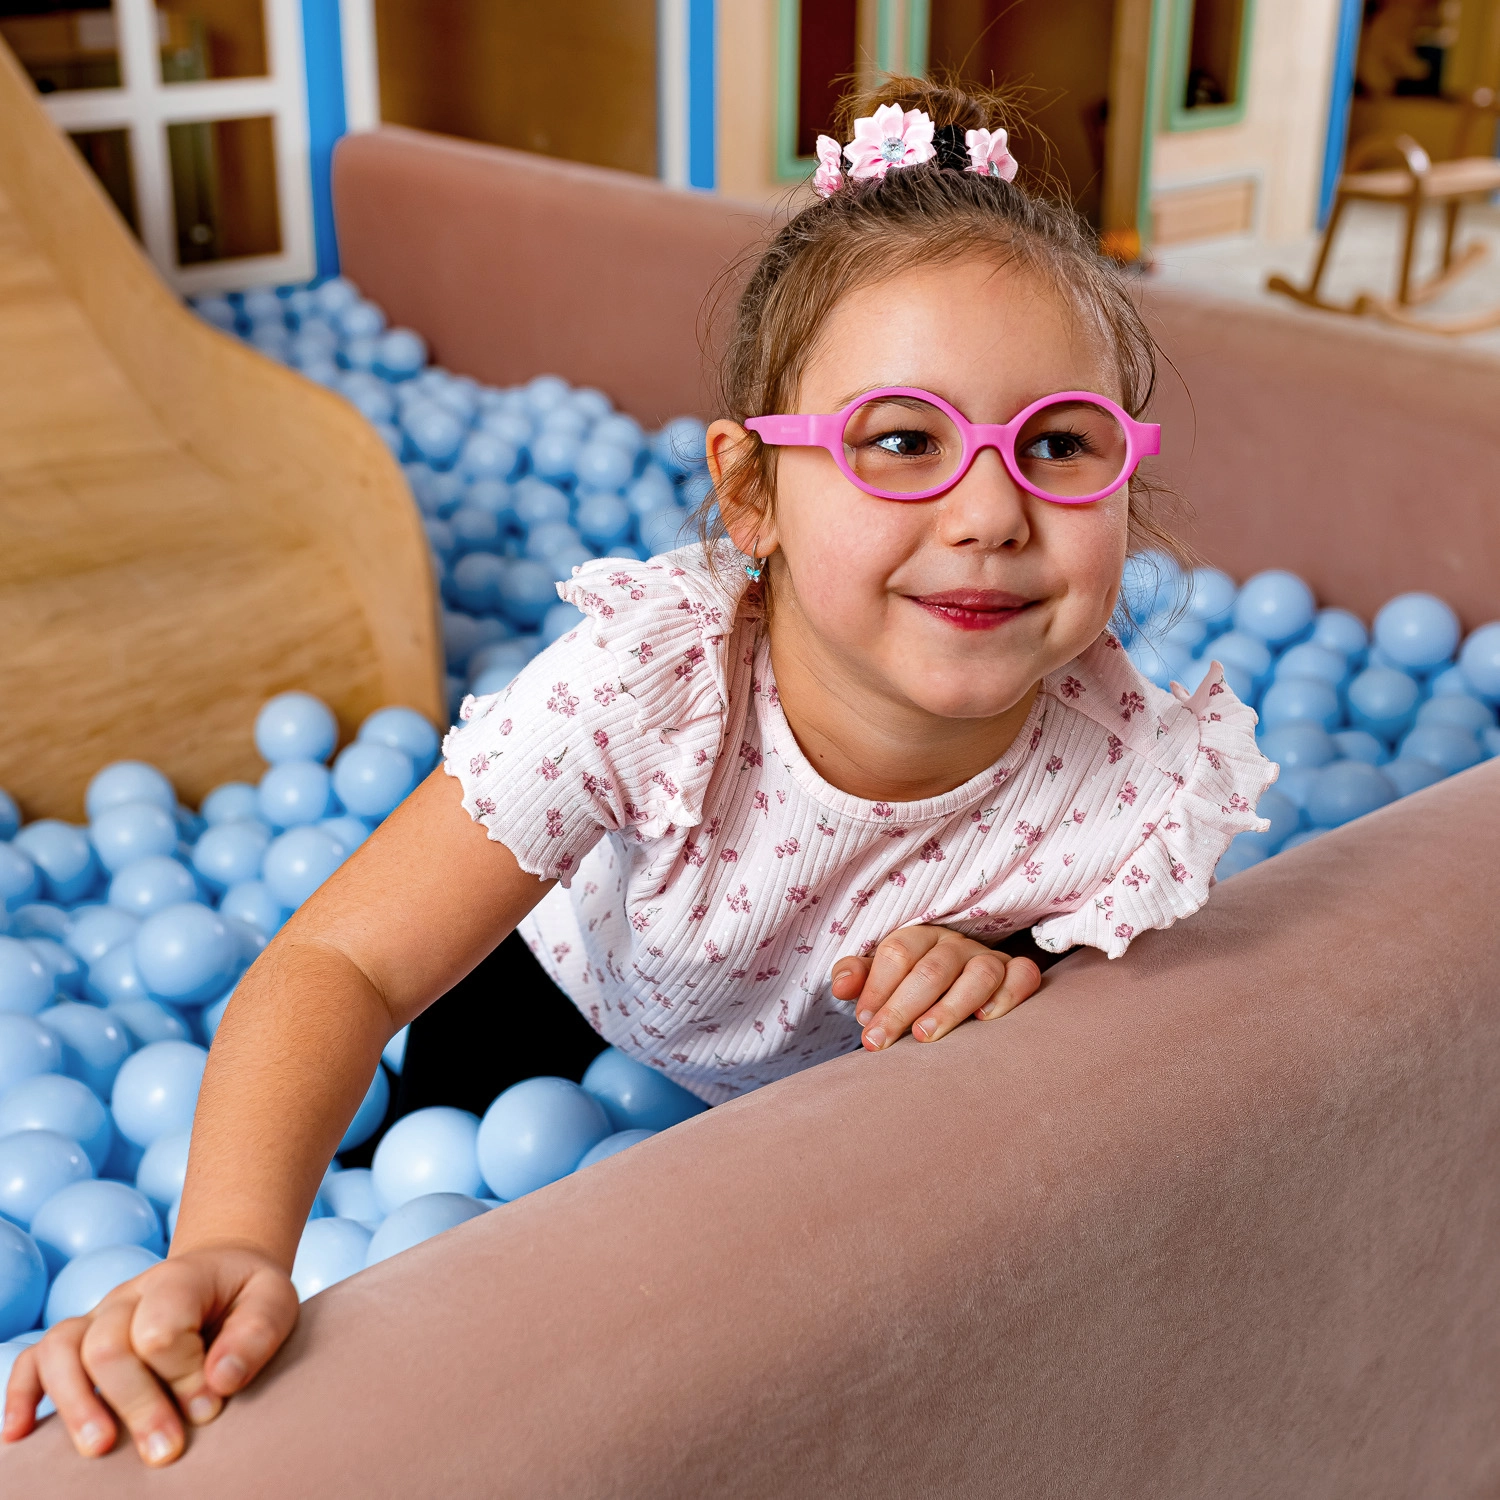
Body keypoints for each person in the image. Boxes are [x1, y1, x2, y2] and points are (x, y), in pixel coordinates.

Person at [3, 75, 1274, 1467]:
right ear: (751, 494)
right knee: (416, 1212)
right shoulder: (653, 689)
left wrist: (1013, 961)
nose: (988, 512)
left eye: (1060, 445)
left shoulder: (1132, 785)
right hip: (570, 986)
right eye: (903, 441)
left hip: (808, 1113)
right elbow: (343, 962)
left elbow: (1125, 1073)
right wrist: (232, 1243)